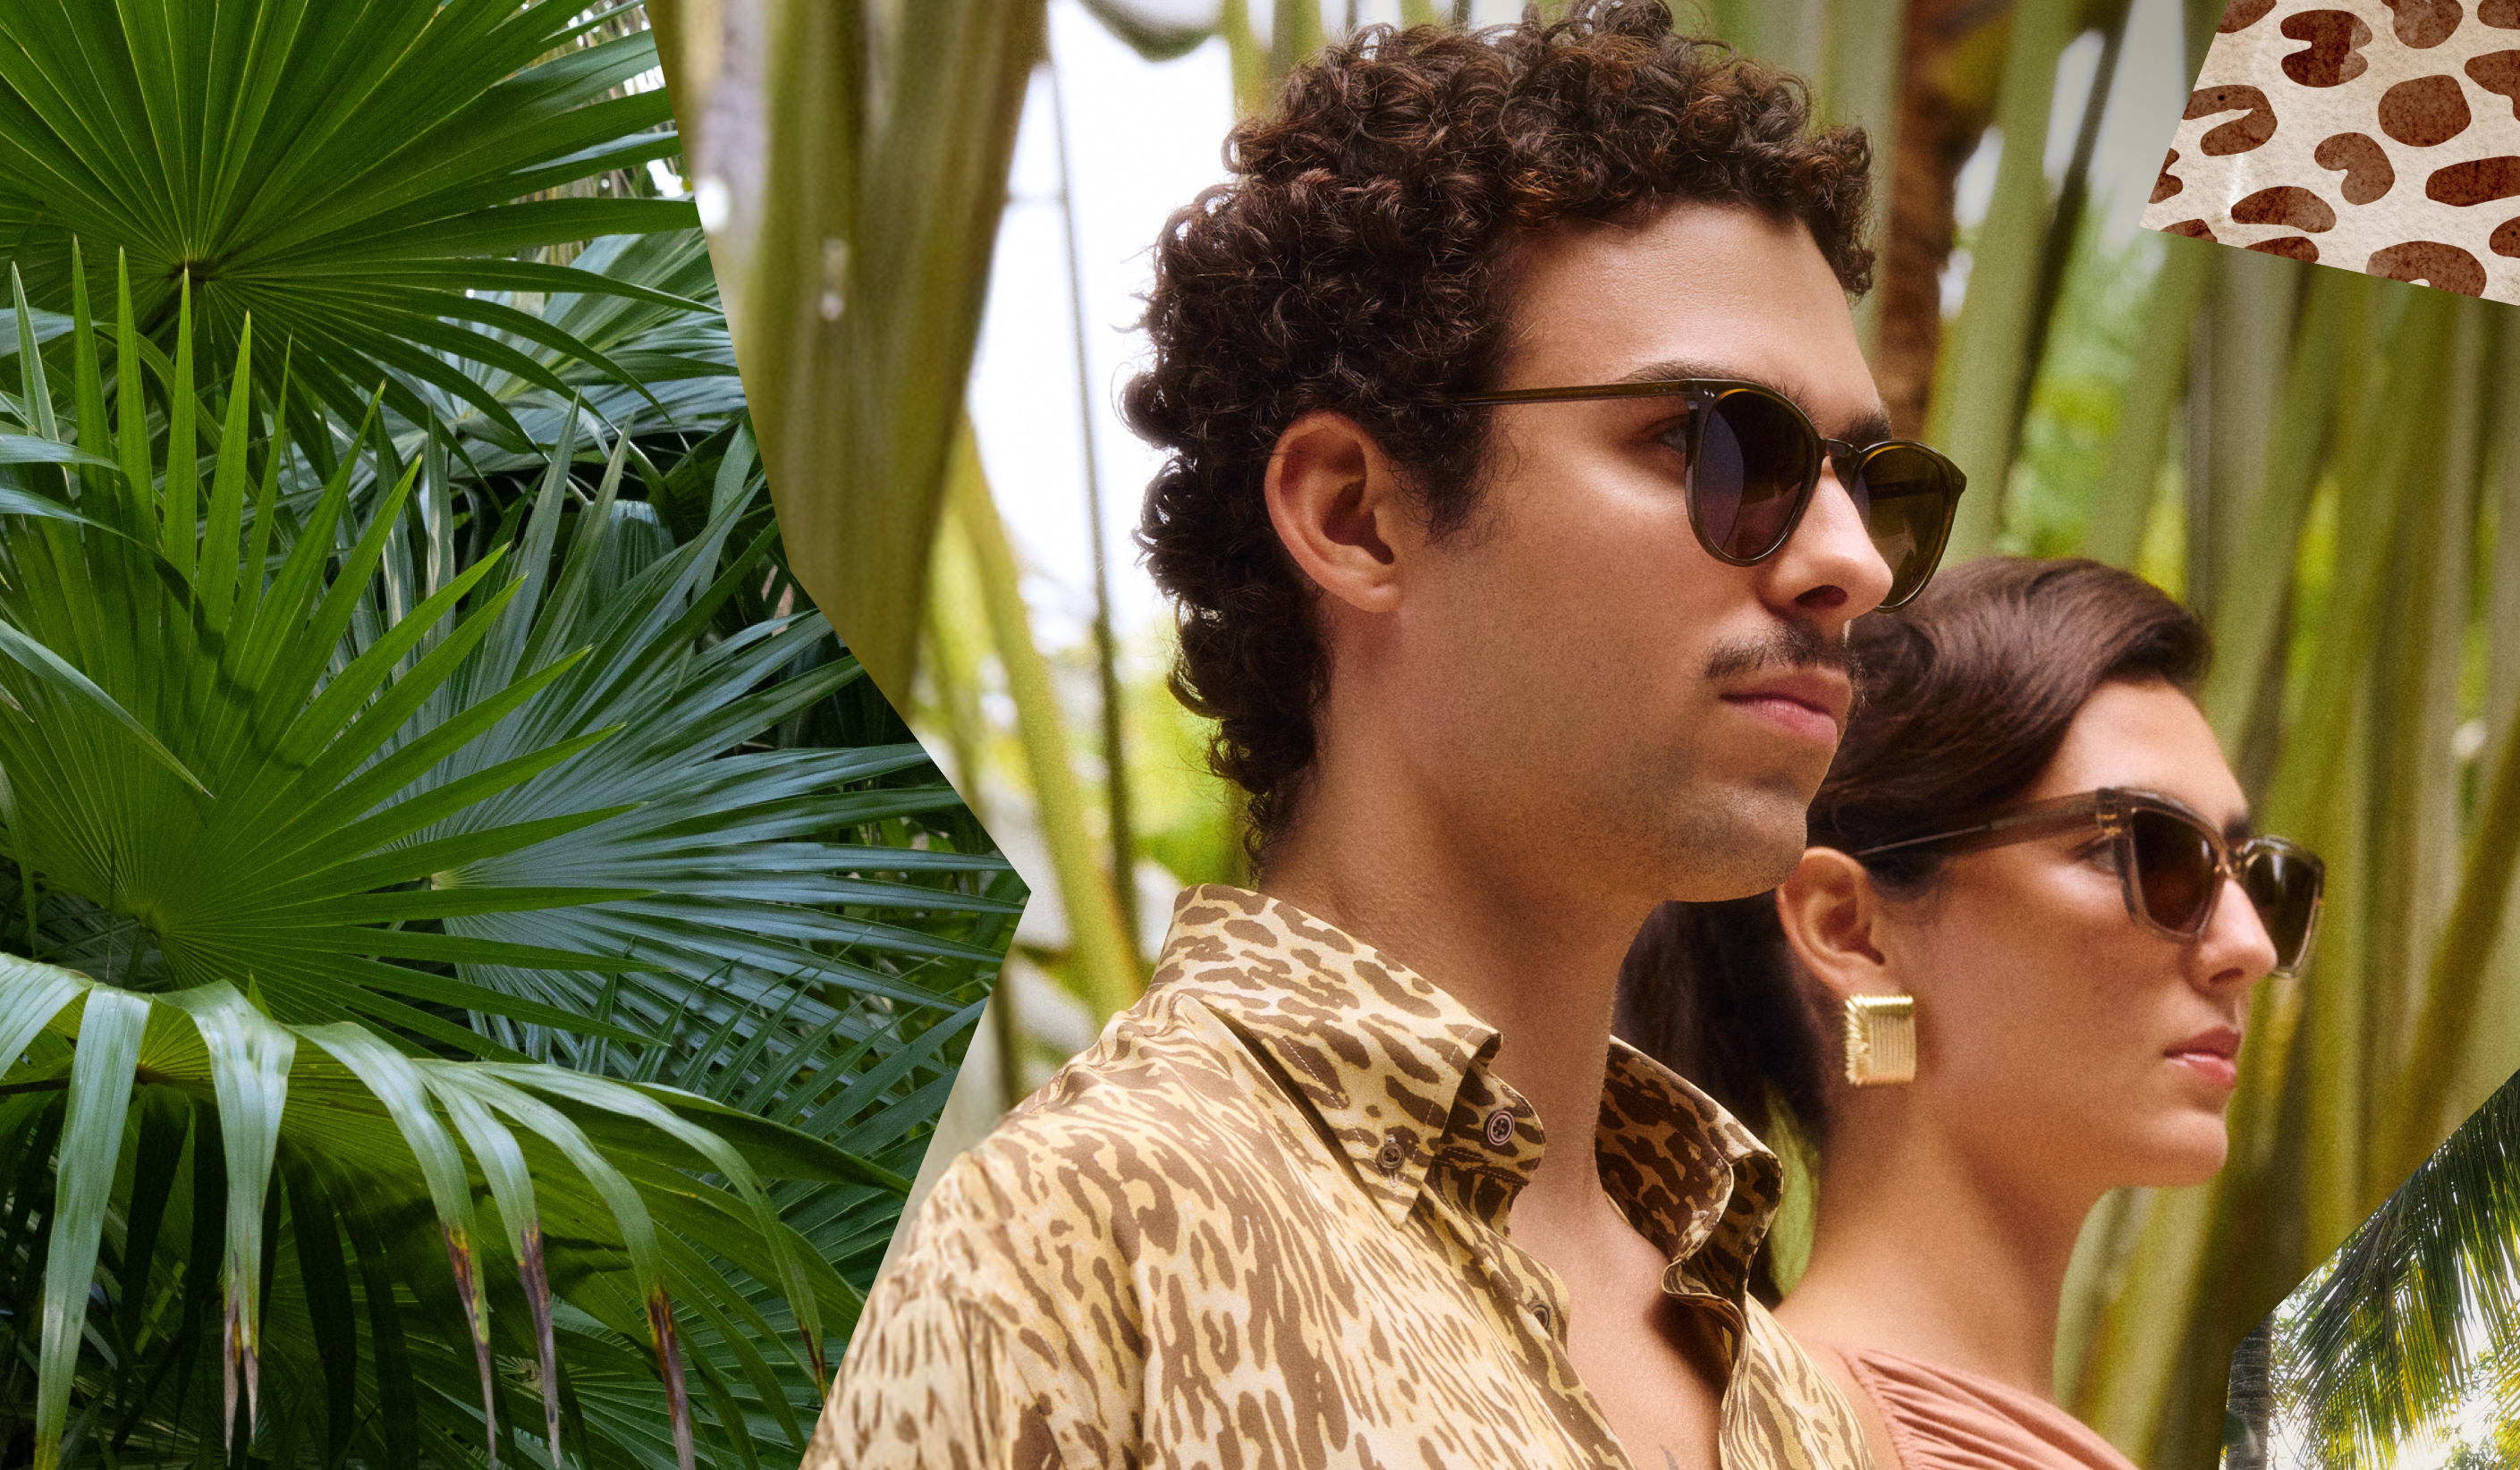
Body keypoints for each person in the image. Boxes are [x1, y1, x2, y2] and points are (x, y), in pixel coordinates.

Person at [808, 5, 1968, 1468]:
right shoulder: (1080, 1251)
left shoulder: (1785, 1391)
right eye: (1721, 444)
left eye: (1877, 482)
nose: (1846, 560)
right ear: (1355, 513)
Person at [1618, 557, 2322, 1470]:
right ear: (1852, 932)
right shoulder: (1771, 1442)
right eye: (2152, 853)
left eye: (2256, 878)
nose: (2249, 947)